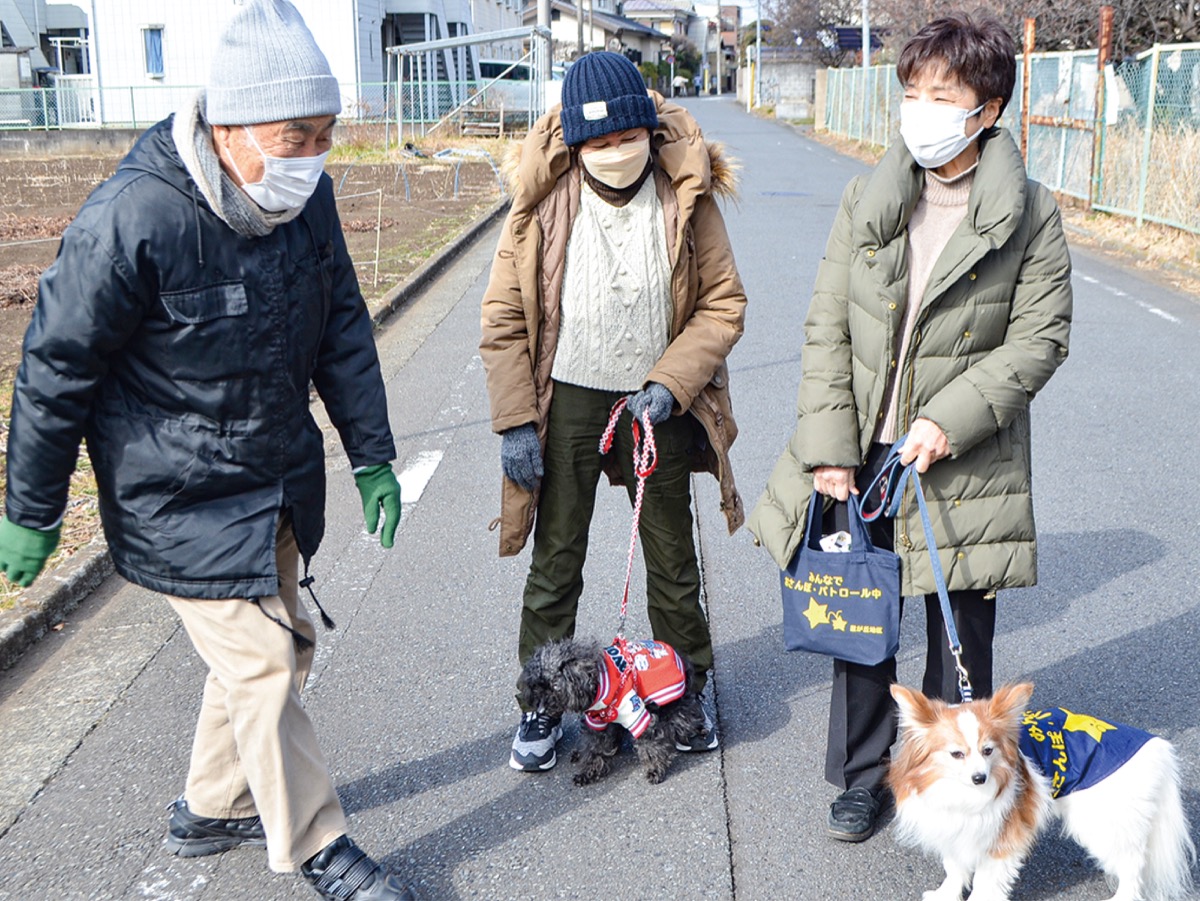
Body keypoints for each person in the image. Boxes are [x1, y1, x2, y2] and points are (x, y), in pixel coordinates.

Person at [0, 2, 413, 898]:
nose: (314, 156)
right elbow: (56, 365)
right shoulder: (135, 217)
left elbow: (342, 325)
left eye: (327, 135)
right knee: (262, 665)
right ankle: (320, 844)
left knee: (281, 646)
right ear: (229, 127)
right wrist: (31, 506)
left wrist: (372, 454)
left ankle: (212, 803)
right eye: (296, 136)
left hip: (274, 476)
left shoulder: (305, 198)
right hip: (175, 492)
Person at [747, 12, 1073, 843]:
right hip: (864, 450)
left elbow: (1039, 340)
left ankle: (955, 790)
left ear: (987, 111)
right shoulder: (870, 196)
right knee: (862, 621)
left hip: (964, 455)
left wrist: (943, 421)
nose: (920, 111)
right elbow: (827, 323)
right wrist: (830, 450)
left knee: (958, 635)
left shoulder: (1031, 215)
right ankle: (864, 779)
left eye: (942, 95)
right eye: (912, 92)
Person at [480, 51, 747, 772]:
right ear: (574, 143)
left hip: (656, 399)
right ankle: (541, 702)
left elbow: (723, 303)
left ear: (648, 133)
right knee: (556, 554)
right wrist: (514, 420)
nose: (616, 152)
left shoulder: (685, 191)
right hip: (567, 397)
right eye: (598, 142)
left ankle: (685, 689)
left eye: (628, 138)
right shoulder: (542, 200)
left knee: (671, 553)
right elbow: (504, 315)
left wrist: (672, 382)